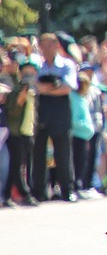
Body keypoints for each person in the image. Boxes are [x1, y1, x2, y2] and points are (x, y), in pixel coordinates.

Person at [32, 32, 79, 202]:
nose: (45, 49)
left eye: (48, 45)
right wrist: (51, 87)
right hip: (43, 110)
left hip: (60, 110)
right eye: (42, 45)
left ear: (56, 45)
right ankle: (39, 190)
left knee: (63, 151)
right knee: (39, 151)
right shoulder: (38, 65)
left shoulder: (67, 64)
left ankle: (68, 189)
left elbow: (68, 87)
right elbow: (35, 87)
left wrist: (46, 89)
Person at [2, 59, 38, 206]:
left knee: (25, 164)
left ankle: (9, 195)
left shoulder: (34, 91)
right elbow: (12, 113)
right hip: (16, 133)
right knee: (15, 165)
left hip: (29, 132)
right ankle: (24, 194)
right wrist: (19, 100)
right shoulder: (14, 90)